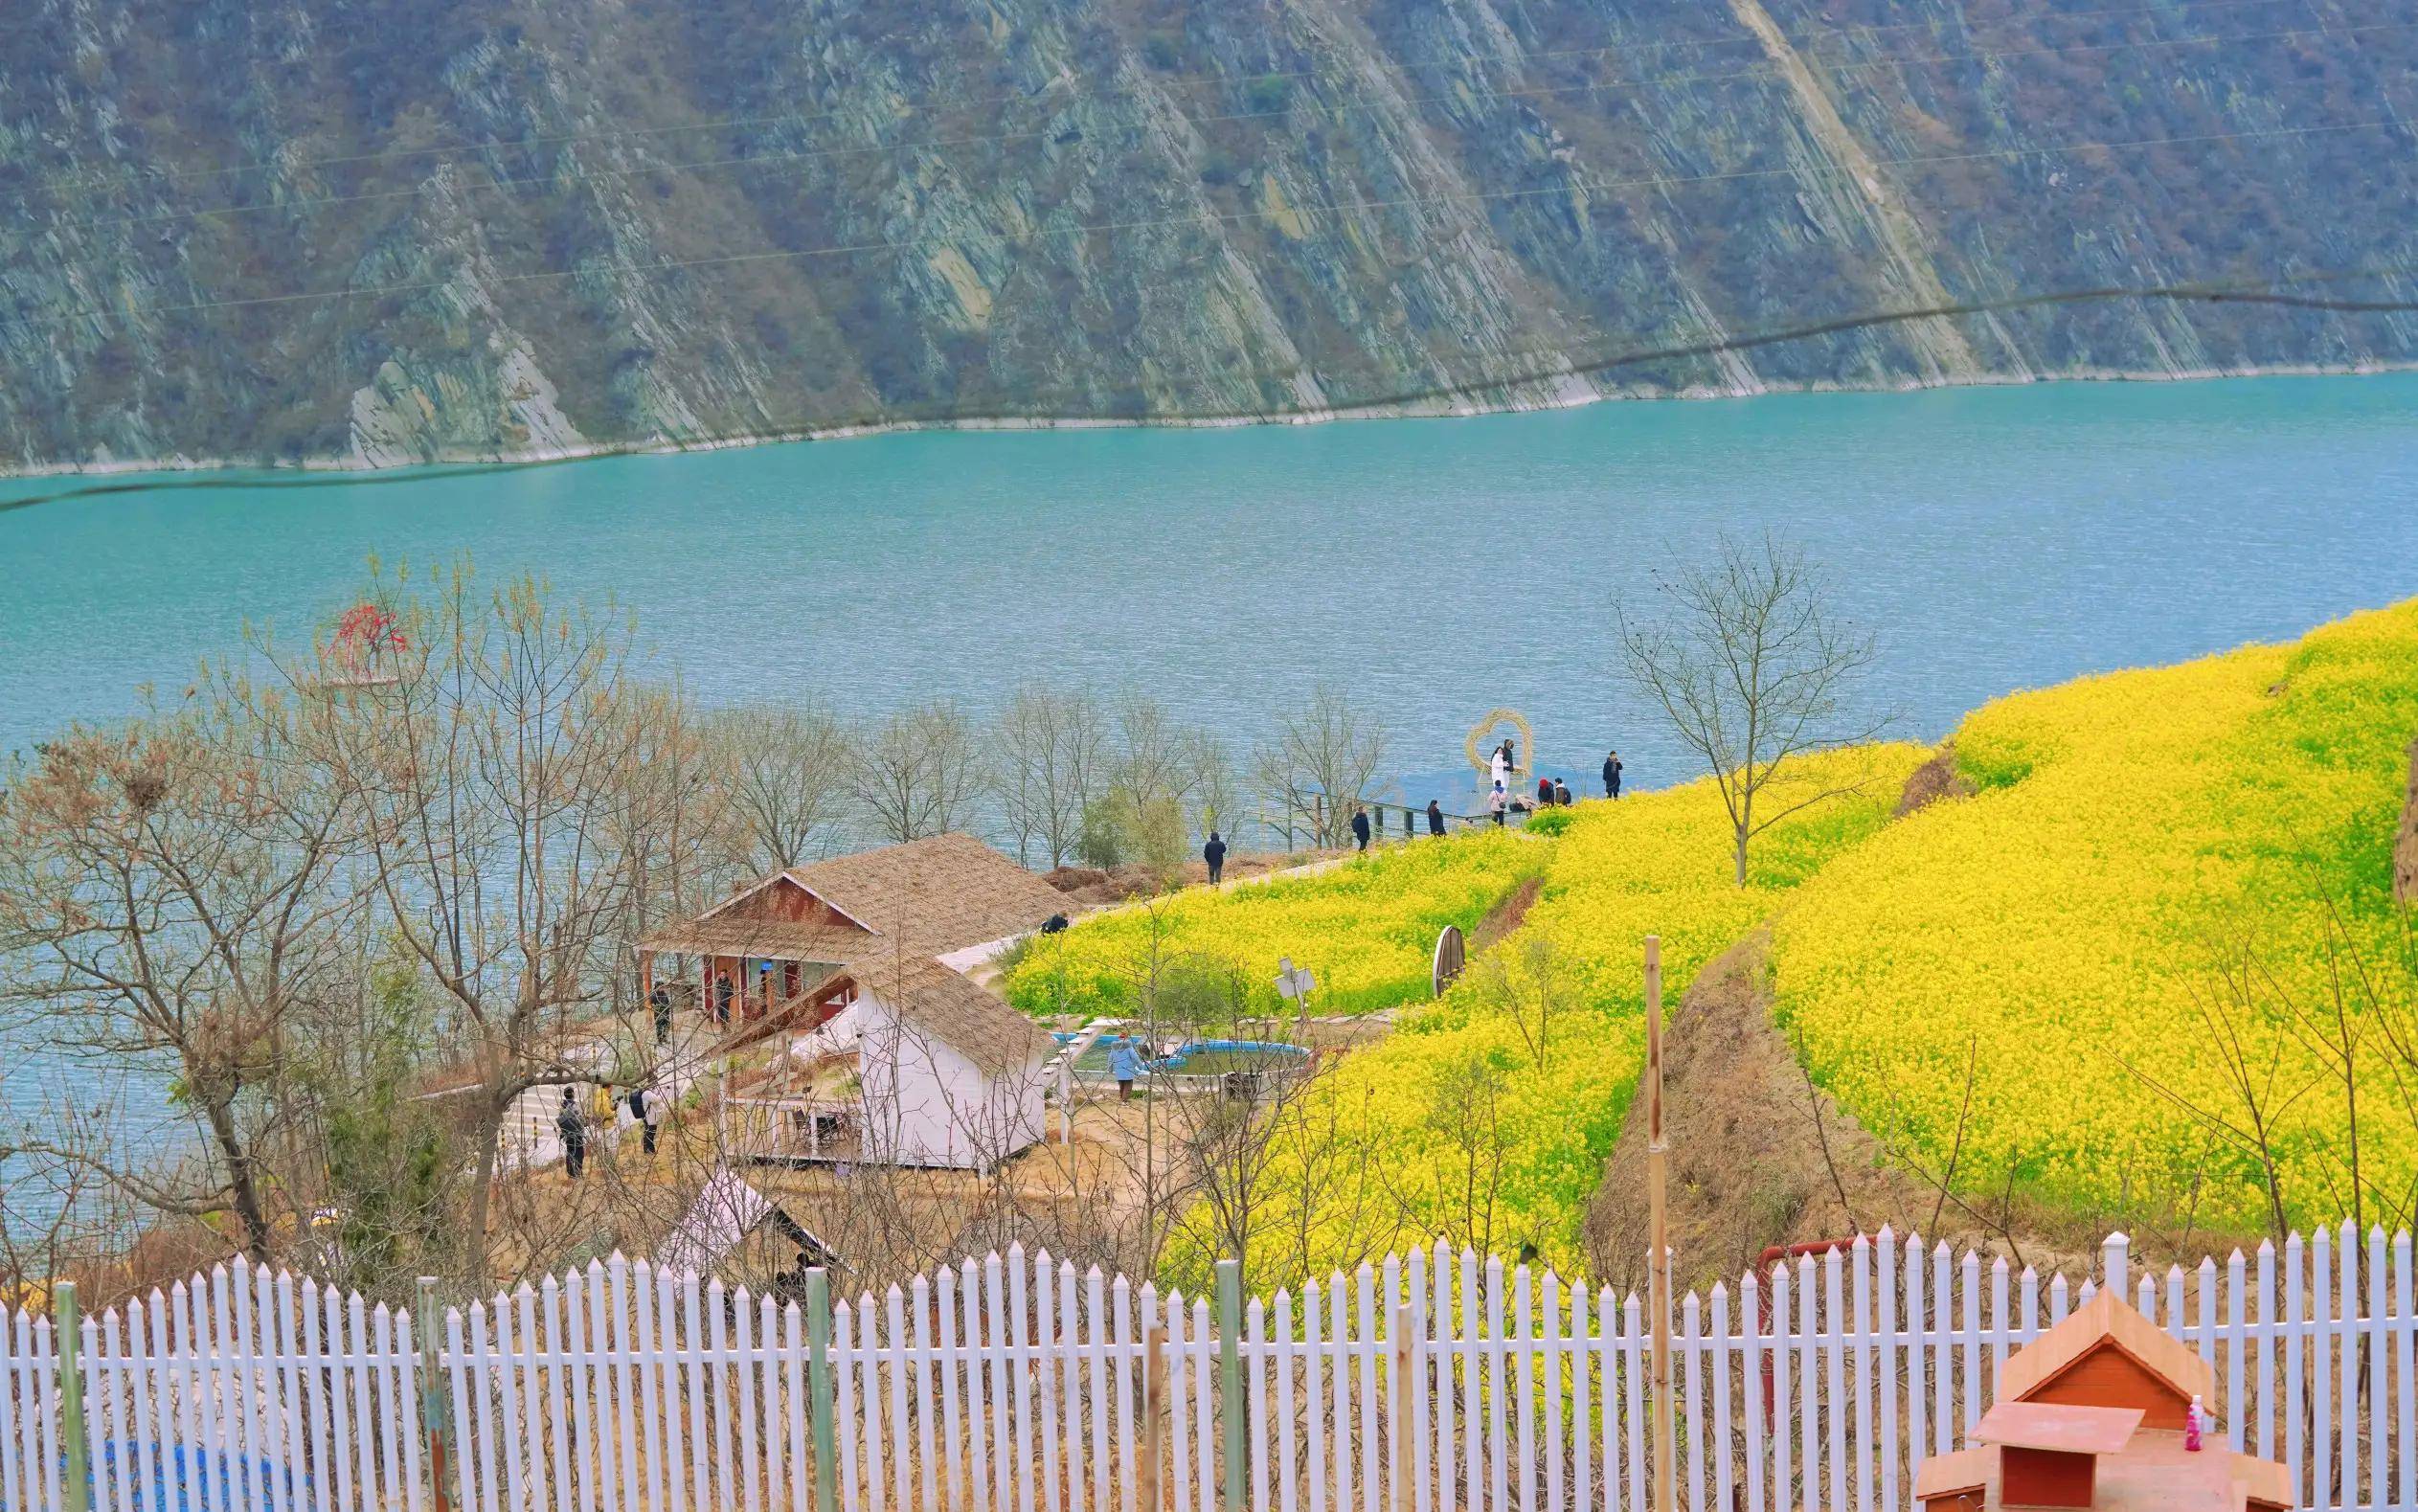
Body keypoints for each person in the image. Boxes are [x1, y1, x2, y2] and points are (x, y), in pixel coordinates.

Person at [556, 1088, 586, 1181]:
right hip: (577, 1135)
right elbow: (581, 1121)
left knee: (570, 1153)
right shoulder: (575, 1106)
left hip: (567, 1135)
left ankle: (570, 1173)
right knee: (579, 1153)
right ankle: (577, 1173)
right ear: (573, 1094)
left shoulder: (562, 1107)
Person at [1107, 1035, 1144, 1102]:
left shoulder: (1114, 1048)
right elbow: (1135, 1057)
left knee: (1121, 1086)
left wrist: (1110, 1069)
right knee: (1128, 1087)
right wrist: (1141, 1067)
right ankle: (1124, 1102)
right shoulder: (1129, 1047)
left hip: (1119, 1071)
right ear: (1126, 1038)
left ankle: (1122, 1099)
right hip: (1128, 1071)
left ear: (1119, 1038)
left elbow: (1110, 1059)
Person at [649, 981, 672, 1046]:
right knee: (659, 1027)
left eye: (663, 987)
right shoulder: (654, 995)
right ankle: (659, 1041)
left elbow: (667, 1002)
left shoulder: (664, 993)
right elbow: (652, 1005)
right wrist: (659, 1008)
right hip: (658, 1013)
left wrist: (668, 1008)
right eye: (661, 987)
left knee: (667, 1025)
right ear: (657, 987)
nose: (663, 988)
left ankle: (664, 1038)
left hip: (666, 1013)